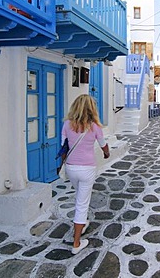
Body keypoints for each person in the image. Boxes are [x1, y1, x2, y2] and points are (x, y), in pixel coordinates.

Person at [61, 94, 110, 255]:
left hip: (71, 168)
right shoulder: (95, 126)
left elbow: (63, 147)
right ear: (91, 109)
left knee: (80, 197)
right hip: (87, 169)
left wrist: (63, 164)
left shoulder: (67, 124)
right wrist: (107, 154)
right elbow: (103, 145)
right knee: (81, 204)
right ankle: (76, 243)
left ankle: (83, 222)